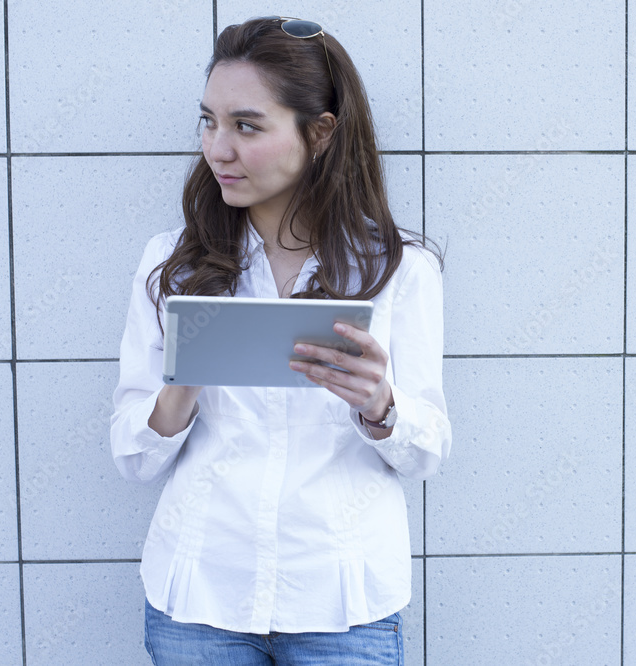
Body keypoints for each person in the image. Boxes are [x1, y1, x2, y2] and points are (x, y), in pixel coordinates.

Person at [109, 16, 451, 665]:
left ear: (320, 133)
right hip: (200, 600)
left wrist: (381, 406)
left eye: (246, 125)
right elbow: (134, 457)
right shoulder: (172, 266)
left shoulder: (399, 271)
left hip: (342, 605)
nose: (217, 149)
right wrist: (182, 385)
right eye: (207, 121)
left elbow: (426, 452)